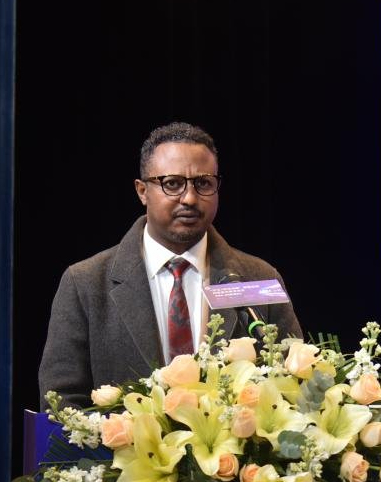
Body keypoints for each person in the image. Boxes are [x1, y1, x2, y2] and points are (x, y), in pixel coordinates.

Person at [38, 122, 302, 407]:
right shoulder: (85, 283)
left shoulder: (258, 278)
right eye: (172, 184)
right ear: (142, 191)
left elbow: (296, 389)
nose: (189, 198)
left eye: (203, 183)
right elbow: (61, 403)